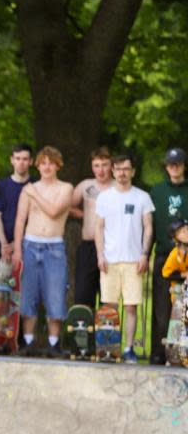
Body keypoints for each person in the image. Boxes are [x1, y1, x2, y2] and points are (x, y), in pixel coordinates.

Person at [12, 147, 73, 357]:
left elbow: (54, 212)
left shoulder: (65, 188)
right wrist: (18, 249)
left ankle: (54, 343)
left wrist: (34, 193)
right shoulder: (28, 190)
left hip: (54, 246)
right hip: (30, 244)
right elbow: (20, 220)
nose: (47, 167)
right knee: (28, 295)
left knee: (55, 295)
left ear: (58, 165)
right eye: (43, 162)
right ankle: (27, 342)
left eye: (51, 162)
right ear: (37, 165)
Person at [95, 154, 154, 364]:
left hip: (133, 261)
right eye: (118, 169)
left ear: (133, 171)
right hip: (109, 260)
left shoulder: (142, 197)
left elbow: (148, 227)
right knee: (109, 307)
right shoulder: (104, 197)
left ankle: (129, 349)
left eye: (126, 169)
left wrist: (144, 254)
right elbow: (99, 228)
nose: (122, 173)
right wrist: (100, 255)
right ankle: (109, 349)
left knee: (131, 307)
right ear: (113, 171)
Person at [148, 148, 188, 365]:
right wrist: (146, 254)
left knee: (185, 307)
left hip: (187, 256)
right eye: (171, 164)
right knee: (161, 307)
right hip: (165, 254)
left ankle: (183, 353)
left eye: (178, 164)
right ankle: (159, 351)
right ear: (166, 167)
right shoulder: (157, 191)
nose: (174, 168)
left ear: (183, 166)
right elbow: (150, 226)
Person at [69, 147, 114, 306]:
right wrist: (85, 215)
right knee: (82, 295)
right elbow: (68, 207)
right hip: (88, 245)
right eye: (96, 165)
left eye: (104, 165)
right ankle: (83, 330)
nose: (100, 170)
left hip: (111, 247)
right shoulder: (85, 186)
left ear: (111, 165)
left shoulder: (118, 188)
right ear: (92, 166)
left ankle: (106, 331)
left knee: (108, 297)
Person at [0, 145, 36, 264]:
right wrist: (4, 244)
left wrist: (16, 244)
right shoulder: (1, 185)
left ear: (31, 161)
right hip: (2, 246)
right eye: (17, 158)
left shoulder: (36, 186)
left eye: (25, 159)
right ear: (12, 160)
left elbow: (37, 219)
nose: (21, 162)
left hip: (29, 245)